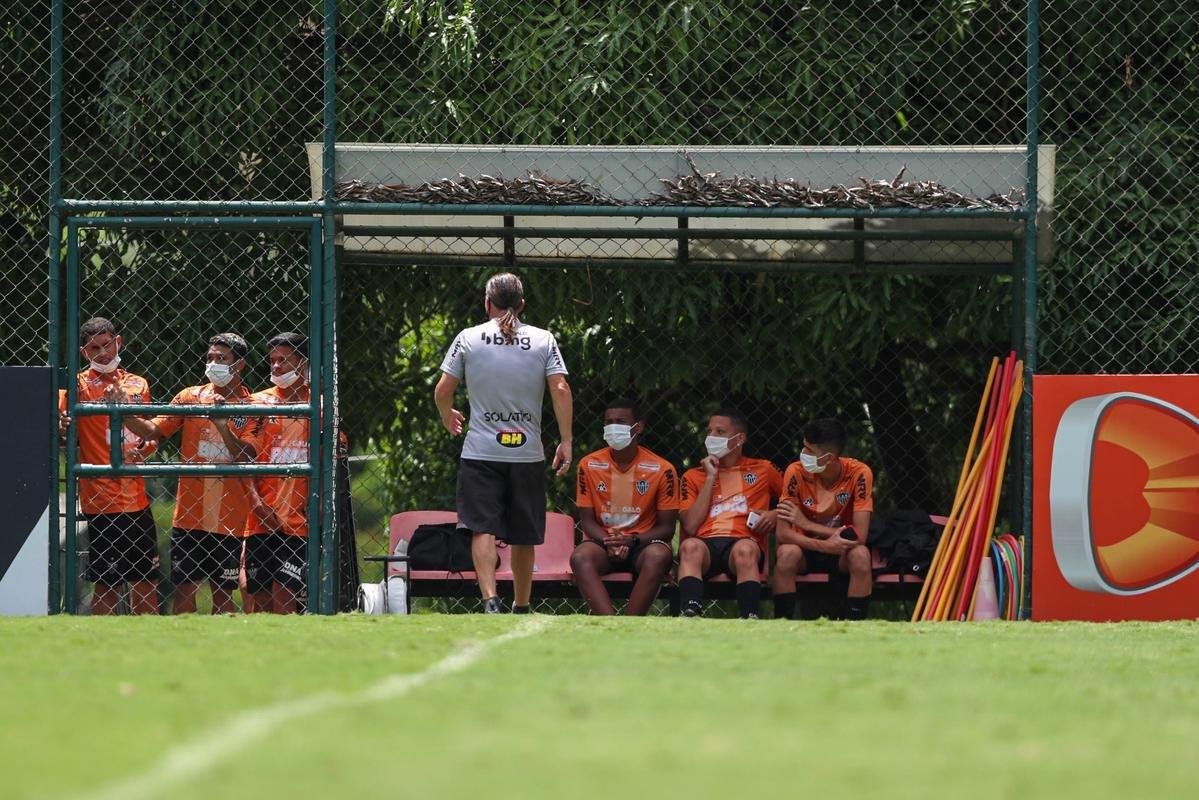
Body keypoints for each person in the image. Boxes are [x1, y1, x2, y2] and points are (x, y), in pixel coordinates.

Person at [434, 273, 573, 614]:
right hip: (527, 453)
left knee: (481, 527)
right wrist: (566, 439)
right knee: (524, 532)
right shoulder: (543, 339)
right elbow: (560, 388)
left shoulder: (468, 338)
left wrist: (446, 414)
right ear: (521, 304)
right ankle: (522, 604)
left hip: (481, 452)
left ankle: (490, 600)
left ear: (487, 303)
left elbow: (442, 389)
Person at [121, 333, 256, 614]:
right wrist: (123, 412)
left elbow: (245, 455)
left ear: (239, 364)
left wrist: (222, 425)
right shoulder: (190, 396)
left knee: (223, 596)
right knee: (183, 591)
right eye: (210, 357)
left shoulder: (252, 404)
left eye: (222, 358)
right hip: (189, 516)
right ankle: (185, 641)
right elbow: (154, 430)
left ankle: (227, 642)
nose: (213, 363)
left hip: (229, 517)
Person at [58, 317, 159, 614]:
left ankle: (150, 641)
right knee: (107, 587)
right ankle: (101, 640)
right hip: (101, 500)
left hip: (137, 497)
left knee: (146, 583)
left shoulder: (138, 383)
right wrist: (62, 428)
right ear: (84, 352)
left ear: (119, 342)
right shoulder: (75, 386)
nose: (102, 353)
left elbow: (150, 435)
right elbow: (62, 435)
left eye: (107, 345)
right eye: (94, 348)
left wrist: (146, 448)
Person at [570, 398, 678, 615]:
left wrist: (632, 540)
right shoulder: (588, 464)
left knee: (658, 556)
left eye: (620, 422)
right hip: (603, 543)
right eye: (608, 422)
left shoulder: (662, 469)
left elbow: (667, 529)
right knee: (580, 557)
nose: (613, 427)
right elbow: (587, 521)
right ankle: (609, 624)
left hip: (643, 545)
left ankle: (631, 623)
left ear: (638, 427)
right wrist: (609, 542)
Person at [236, 332, 316, 614]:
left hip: (297, 519)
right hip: (261, 516)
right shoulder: (258, 403)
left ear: (303, 362)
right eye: (272, 360)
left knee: (284, 596)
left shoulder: (319, 404)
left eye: (284, 360)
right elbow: (243, 456)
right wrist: (257, 504)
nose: (276, 366)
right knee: (257, 597)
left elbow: (333, 450)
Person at [678, 409, 782, 619]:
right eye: (709, 431)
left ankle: (750, 617)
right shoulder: (693, 476)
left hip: (743, 542)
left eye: (720, 432)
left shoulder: (764, 469)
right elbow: (690, 525)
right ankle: (690, 613)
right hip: (706, 545)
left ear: (739, 439)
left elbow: (795, 499)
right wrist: (710, 478)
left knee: (745, 550)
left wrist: (775, 514)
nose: (711, 437)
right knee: (689, 547)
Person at [773, 418, 875, 620]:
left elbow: (859, 536)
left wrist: (806, 524)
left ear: (828, 458)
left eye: (810, 451)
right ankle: (782, 624)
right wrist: (825, 545)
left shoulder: (860, 473)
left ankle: (857, 627)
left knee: (861, 555)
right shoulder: (795, 471)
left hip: (842, 551)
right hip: (804, 548)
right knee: (786, 554)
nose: (803, 454)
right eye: (804, 447)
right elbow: (783, 533)